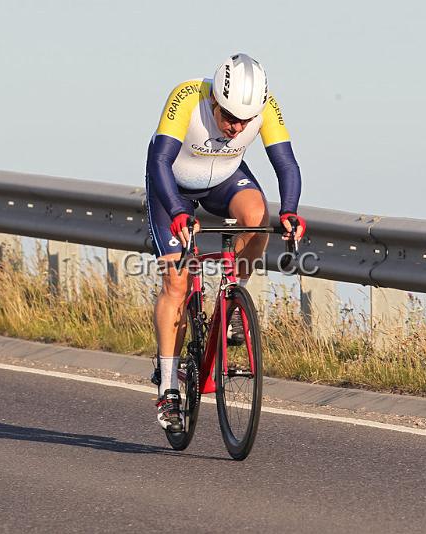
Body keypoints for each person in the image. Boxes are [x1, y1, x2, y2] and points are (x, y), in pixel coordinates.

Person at [145, 53, 306, 432]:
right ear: (215, 101)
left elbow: (286, 164)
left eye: (244, 121)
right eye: (228, 117)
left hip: (224, 181)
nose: (236, 128)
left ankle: (235, 299)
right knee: (177, 279)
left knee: (258, 217)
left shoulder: (266, 107)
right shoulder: (187, 96)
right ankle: (168, 389)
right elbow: (159, 161)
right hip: (172, 187)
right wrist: (178, 211)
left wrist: (291, 211)